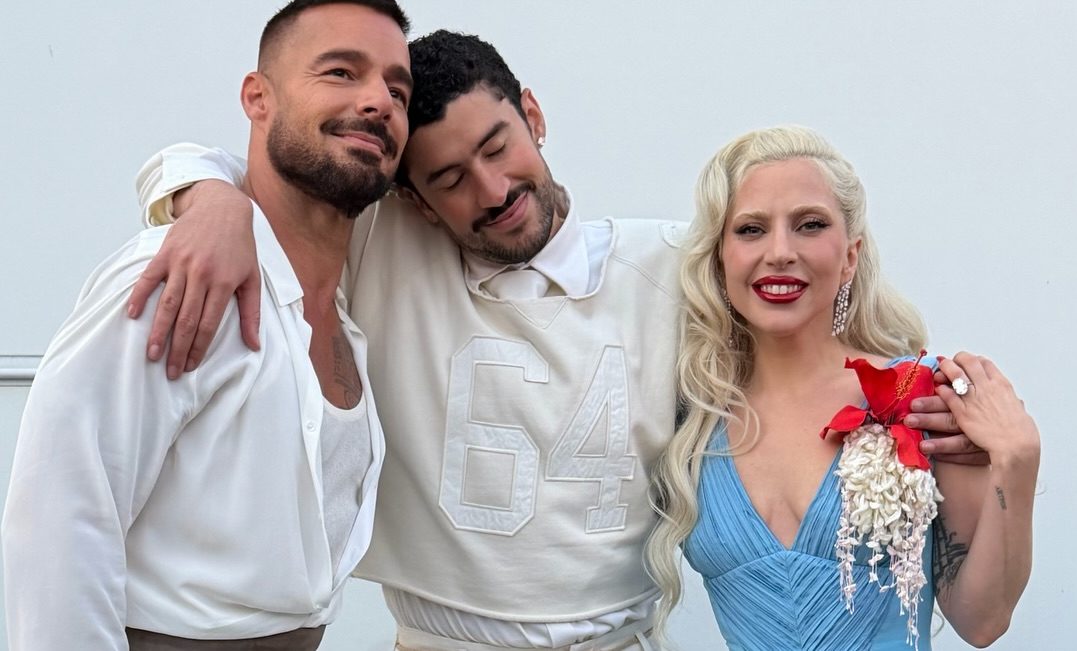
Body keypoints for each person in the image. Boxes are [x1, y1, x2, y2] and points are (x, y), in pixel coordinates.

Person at [126, 38, 984, 649]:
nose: (492, 189)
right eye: (450, 178)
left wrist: (936, 420)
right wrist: (206, 196)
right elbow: (242, 167)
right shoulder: (381, 248)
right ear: (414, 200)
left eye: (498, 147)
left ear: (532, 114)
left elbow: (804, 323)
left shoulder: (676, 265)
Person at [2, 0, 413, 650]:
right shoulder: (179, 277)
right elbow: (59, 529)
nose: (378, 100)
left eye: (398, 90)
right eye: (341, 71)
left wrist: (207, 190)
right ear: (258, 98)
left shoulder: (348, 302)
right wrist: (212, 199)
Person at [646, 126, 1040, 650]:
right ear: (720, 259)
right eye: (751, 229)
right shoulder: (687, 417)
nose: (780, 251)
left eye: (809, 225)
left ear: (850, 255)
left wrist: (1017, 458)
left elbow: (982, 620)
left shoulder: (919, 394)